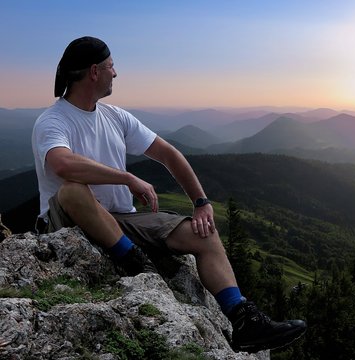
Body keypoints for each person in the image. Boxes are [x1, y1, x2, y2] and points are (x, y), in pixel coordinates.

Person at [31, 36, 306, 353]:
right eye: (111, 66)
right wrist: (126, 177)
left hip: (120, 221)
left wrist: (201, 203)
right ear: (94, 72)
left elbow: (168, 154)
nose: (115, 73)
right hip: (70, 221)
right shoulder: (53, 120)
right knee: (73, 189)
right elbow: (61, 163)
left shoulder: (115, 117)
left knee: (203, 234)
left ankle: (243, 318)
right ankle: (137, 263)